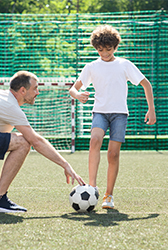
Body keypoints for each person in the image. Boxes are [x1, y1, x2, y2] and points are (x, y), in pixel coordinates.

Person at [69, 25, 156, 209]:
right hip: (99, 112)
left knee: (113, 154)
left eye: (108, 49)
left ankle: (108, 195)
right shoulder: (91, 66)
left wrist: (152, 109)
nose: (105, 53)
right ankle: (92, 187)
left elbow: (146, 85)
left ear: (115, 47)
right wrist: (77, 95)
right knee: (94, 141)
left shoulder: (124, 64)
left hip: (119, 115)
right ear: (96, 48)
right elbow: (73, 88)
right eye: (100, 50)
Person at [0, 71, 85, 213]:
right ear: (22, 90)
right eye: (35, 88)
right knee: (23, 142)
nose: (37, 92)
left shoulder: (4, 98)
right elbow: (35, 141)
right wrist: (65, 164)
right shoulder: (10, 106)